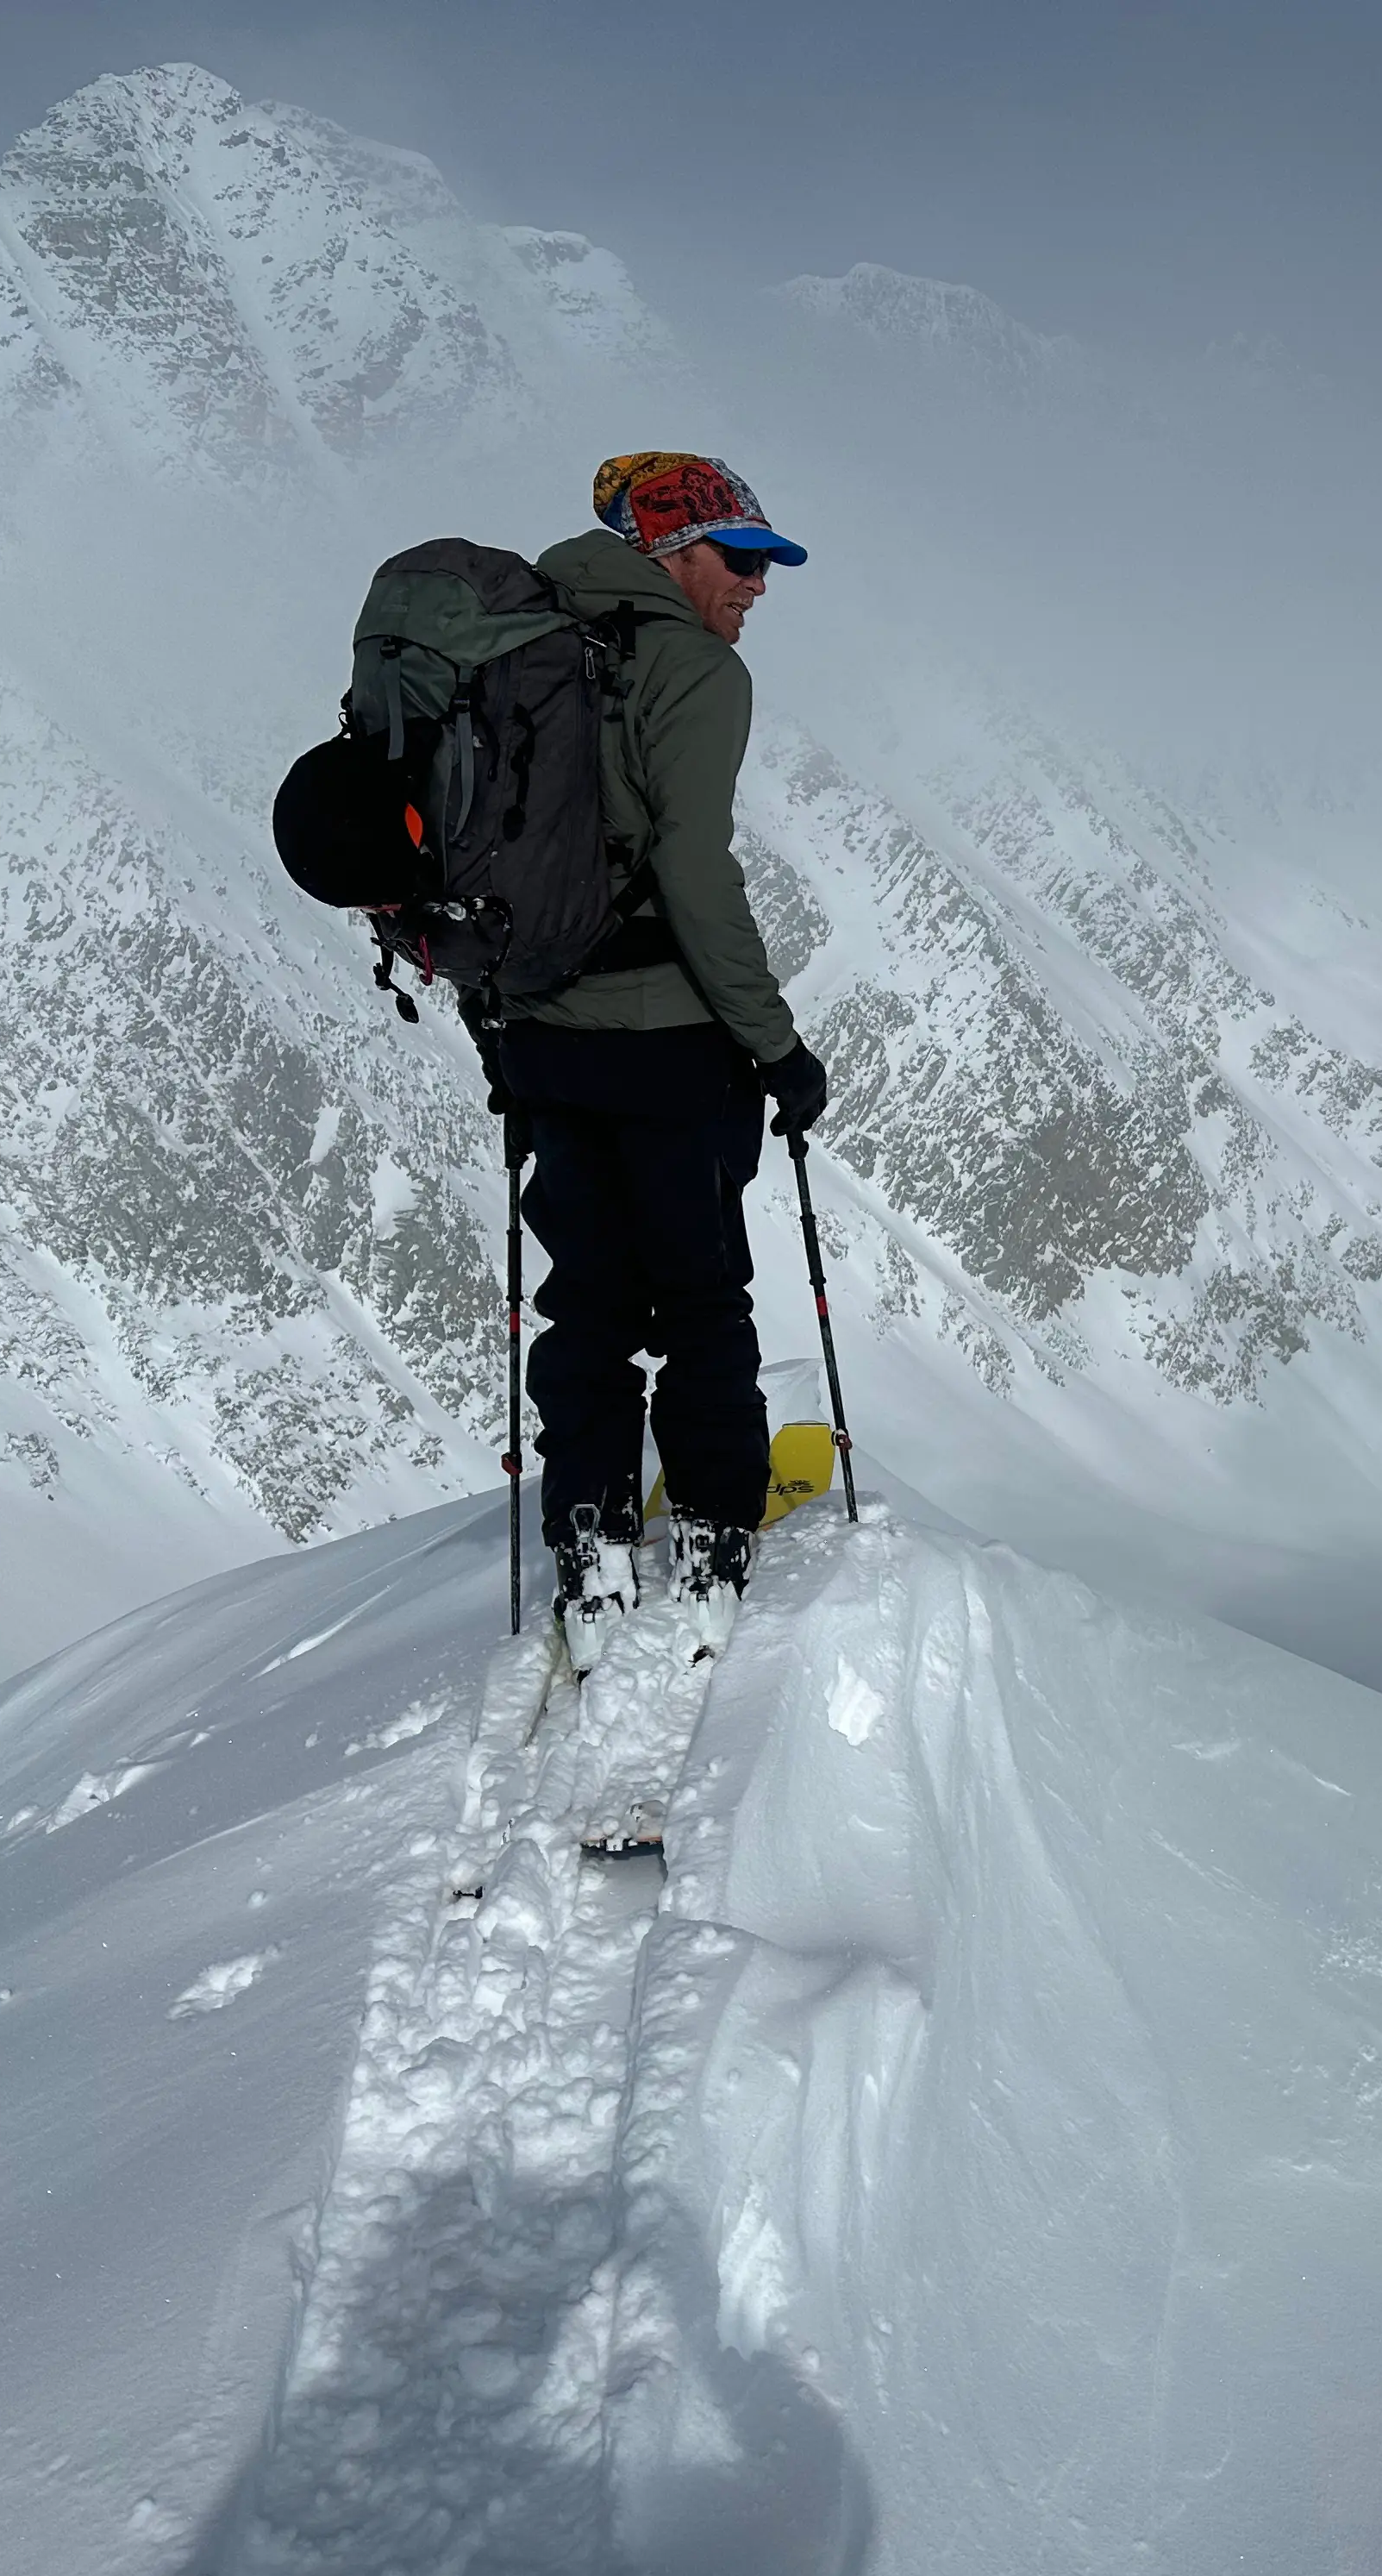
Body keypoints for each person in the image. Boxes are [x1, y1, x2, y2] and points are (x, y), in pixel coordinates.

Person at [491, 451, 829, 1670]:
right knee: (698, 1294)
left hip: (538, 1036)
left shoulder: (519, 639)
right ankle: (715, 1526)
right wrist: (776, 1047)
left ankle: (585, 1526)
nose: (755, 588)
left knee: (585, 1294)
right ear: (669, 552)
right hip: (669, 1044)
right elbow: (695, 877)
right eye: (739, 560)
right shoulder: (694, 670)